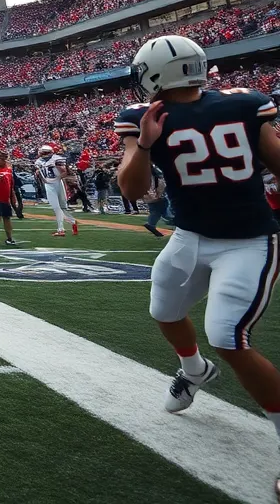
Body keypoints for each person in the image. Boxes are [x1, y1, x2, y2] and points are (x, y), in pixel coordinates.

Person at [117, 34, 280, 501]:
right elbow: (132, 189)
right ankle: (193, 370)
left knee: (229, 336)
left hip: (247, 240)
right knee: (164, 308)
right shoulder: (241, 105)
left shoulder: (241, 106)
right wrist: (147, 144)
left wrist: (145, 143)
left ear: (152, 73)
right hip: (190, 236)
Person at [34, 145, 78, 237]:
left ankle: (61, 229)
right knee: (62, 207)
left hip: (53, 184)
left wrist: (50, 180)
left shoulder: (43, 161)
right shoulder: (53, 159)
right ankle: (73, 222)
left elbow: (64, 172)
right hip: (56, 182)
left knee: (57, 207)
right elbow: (40, 174)